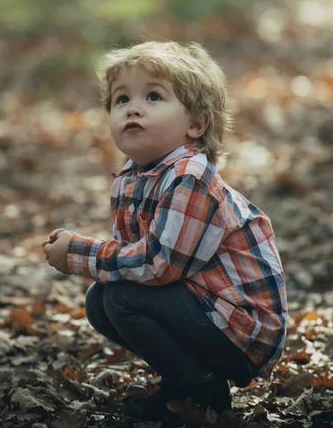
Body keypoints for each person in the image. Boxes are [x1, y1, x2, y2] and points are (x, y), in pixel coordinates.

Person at [43, 41, 288, 426]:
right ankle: (185, 380)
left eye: (153, 96)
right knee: (101, 298)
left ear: (196, 124)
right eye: (121, 99)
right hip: (206, 311)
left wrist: (79, 253)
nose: (133, 108)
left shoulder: (191, 176)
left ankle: (202, 388)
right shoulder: (131, 178)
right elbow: (130, 259)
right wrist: (90, 258)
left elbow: (158, 265)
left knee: (120, 297)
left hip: (243, 330)